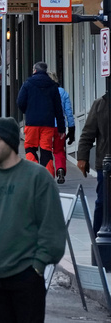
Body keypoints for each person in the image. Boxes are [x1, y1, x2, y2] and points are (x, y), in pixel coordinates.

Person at [0, 117, 67, 322]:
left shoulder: (37, 177)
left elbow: (52, 228)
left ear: (11, 141)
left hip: (25, 276)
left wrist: (37, 266)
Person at [16, 61, 66, 178]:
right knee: (46, 150)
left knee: (30, 148)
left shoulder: (27, 83)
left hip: (32, 123)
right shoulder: (53, 86)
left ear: (34, 70)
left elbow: (20, 102)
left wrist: (27, 111)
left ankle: (33, 174)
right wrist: (61, 127)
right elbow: (58, 109)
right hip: (47, 124)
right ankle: (47, 177)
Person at [78, 92, 109, 232]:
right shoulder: (100, 104)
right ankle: (98, 243)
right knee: (103, 202)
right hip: (106, 163)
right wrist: (82, 157)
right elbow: (87, 134)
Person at [48, 70, 75, 183]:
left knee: (47, 150)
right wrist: (71, 127)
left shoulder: (45, 93)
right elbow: (68, 112)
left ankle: (49, 173)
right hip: (60, 127)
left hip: (47, 126)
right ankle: (60, 169)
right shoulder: (63, 92)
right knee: (59, 150)